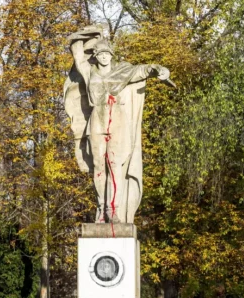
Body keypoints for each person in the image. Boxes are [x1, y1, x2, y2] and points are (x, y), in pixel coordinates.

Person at [64, 27, 171, 223]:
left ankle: (113, 209)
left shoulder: (122, 71)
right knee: (98, 165)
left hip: (118, 123)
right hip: (97, 121)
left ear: (111, 56)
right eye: (100, 54)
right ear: (96, 56)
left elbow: (142, 70)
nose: (104, 57)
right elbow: (78, 54)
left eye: (107, 54)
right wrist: (81, 35)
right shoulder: (89, 72)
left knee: (114, 166)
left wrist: (158, 69)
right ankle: (101, 208)